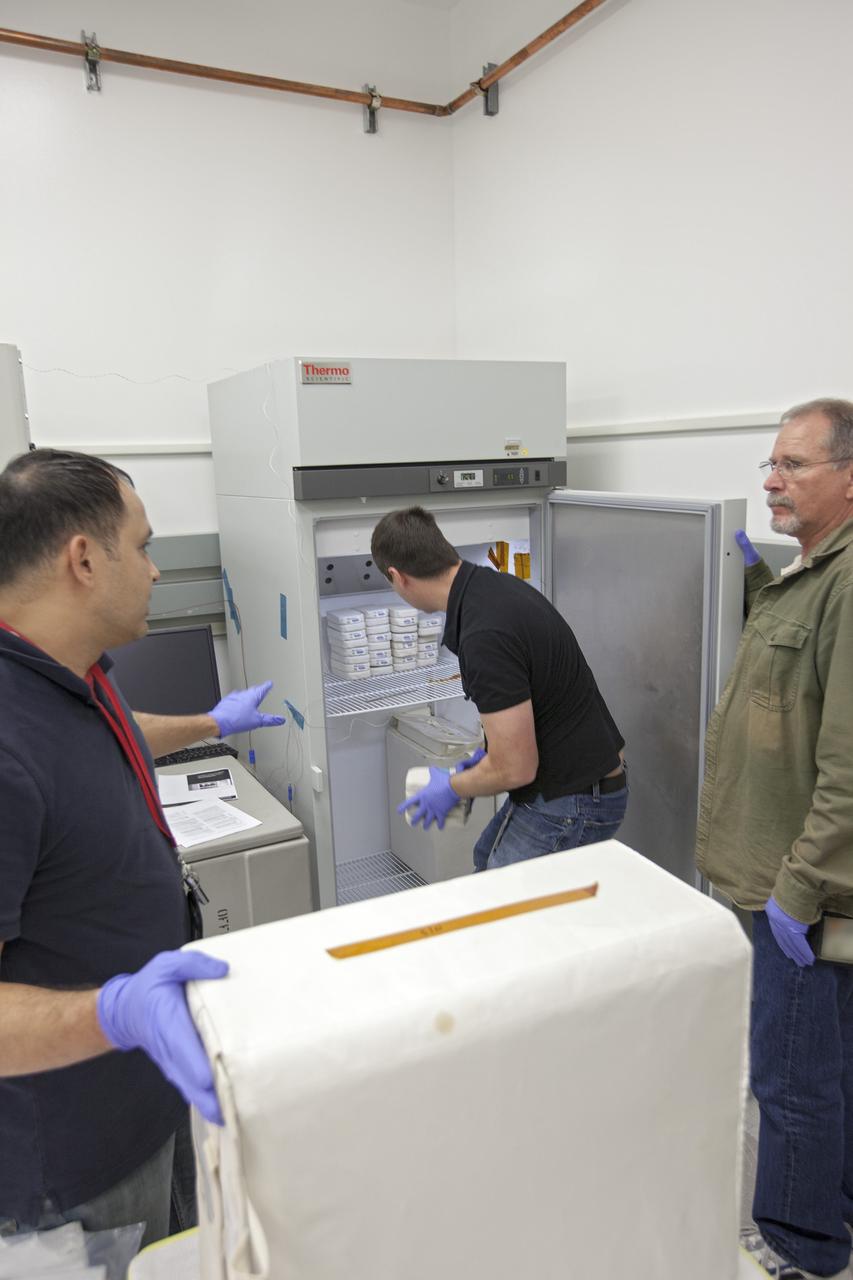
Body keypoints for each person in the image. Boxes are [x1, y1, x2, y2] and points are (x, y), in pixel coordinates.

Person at [0, 448, 284, 1246]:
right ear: (84, 560)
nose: (157, 570)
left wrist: (211, 724)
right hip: (69, 1166)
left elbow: (109, 735)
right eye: (145, 545)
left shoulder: (69, 669)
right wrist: (113, 1012)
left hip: (146, 1092)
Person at [696, 398, 853, 1280]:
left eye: (793, 465)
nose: (770, 481)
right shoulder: (812, 572)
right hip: (786, 872)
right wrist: (758, 581)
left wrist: (797, 888)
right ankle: (834, 1210)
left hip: (798, 885)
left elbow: (847, 766)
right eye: (771, 464)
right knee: (831, 1060)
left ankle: (800, 1247)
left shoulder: (847, 583)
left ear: (849, 478)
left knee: (791, 1075)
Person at [370, 507, 627, 869]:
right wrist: (484, 762)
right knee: (484, 858)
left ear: (397, 577)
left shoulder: (483, 635)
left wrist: (455, 787)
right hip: (579, 780)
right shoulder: (491, 588)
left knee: (501, 897)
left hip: (575, 799)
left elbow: (516, 769)